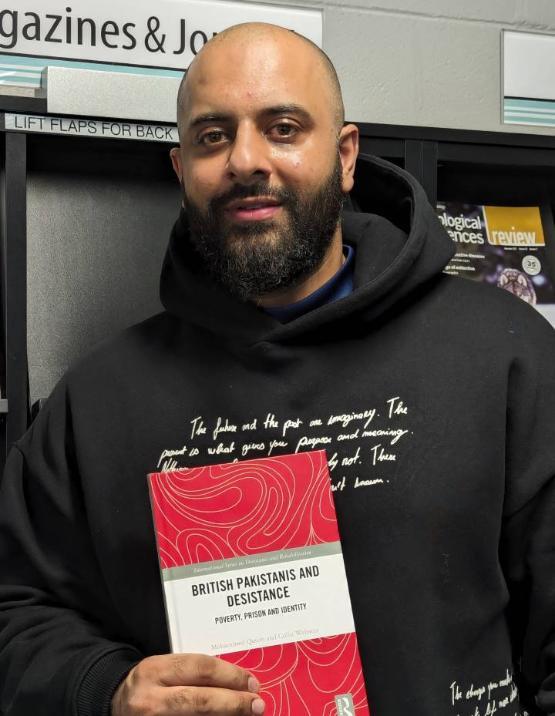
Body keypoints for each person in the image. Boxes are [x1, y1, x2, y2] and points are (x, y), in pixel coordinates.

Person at [1, 21, 555, 716]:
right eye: (211, 135)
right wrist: (104, 687)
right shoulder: (97, 400)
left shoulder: (502, 352)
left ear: (346, 155)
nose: (245, 160)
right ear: (181, 171)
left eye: (283, 127)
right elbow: (16, 612)